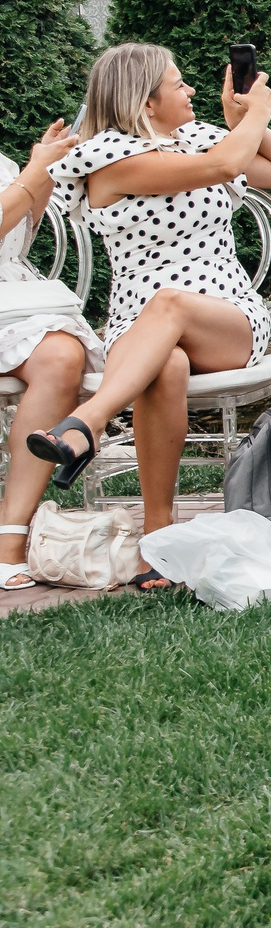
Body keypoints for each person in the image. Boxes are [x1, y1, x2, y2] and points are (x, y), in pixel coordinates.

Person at [35, 46, 271, 567]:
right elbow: (226, 164)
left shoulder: (202, 140)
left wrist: (244, 120)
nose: (190, 91)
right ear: (144, 99)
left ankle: (87, 422)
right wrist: (255, 116)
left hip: (225, 317)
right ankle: (156, 540)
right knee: (167, 362)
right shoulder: (113, 161)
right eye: (179, 83)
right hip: (137, 328)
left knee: (170, 305)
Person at [0, 118, 101, 590]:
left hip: (13, 299)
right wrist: (30, 175)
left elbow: (22, 228)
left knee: (63, 355)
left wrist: (41, 170)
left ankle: (11, 532)